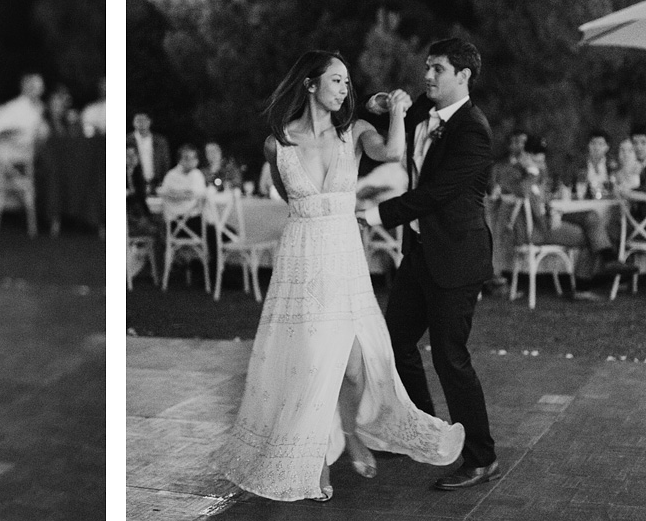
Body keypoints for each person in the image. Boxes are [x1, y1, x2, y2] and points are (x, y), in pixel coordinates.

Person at [218, 49, 464, 502]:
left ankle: (350, 433)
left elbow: (392, 151)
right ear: (310, 85)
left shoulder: (355, 133)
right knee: (311, 363)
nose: (345, 89)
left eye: (348, 83)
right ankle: (313, 461)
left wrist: (398, 110)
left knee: (352, 368)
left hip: (344, 264)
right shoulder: (277, 143)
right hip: (301, 263)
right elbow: (288, 195)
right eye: (336, 80)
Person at [362, 38, 499, 490]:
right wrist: (384, 102)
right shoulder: (426, 109)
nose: (427, 75)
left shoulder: (472, 130)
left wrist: (377, 213)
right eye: (426, 67)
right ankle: (425, 431)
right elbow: (383, 112)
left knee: (450, 357)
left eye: (437, 69)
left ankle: (481, 457)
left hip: (457, 257)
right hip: (419, 253)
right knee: (395, 342)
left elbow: (436, 193)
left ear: (463, 76)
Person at [511, 136, 639, 276]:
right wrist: (531, 172)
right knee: (590, 235)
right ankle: (584, 284)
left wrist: (553, 212)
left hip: (548, 218)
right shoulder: (518, 173)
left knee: (591, 216)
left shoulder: (539, 173)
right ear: (526, 156)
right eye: (537, 158)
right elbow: (524, 193)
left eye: (542, 157)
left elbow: (544, 199)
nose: (542, 162)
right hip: (537, 229)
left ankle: (609, 260)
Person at [0, 72, 48, 142]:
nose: (36, 91)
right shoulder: (13, 107)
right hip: (15, 150)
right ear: (24, 86)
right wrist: (15, 133)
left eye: (39, 87)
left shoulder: (43, 108)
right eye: (32, 86)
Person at [129, 111, 170, 196]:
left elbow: (165, 162)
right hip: (135, 185)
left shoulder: (160, 141)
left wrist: (164, 181)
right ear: (133, 122)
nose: (141, 124)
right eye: (138, 120)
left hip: (156, 183)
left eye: (144, 120)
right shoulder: (127, 141)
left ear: (149, 121)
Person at [489, 130, 529, 199]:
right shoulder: (498, 167)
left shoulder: (533, 168)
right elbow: (493, 191)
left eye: (525, 143)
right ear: (510, 145)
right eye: (517, 142)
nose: (522, 145)